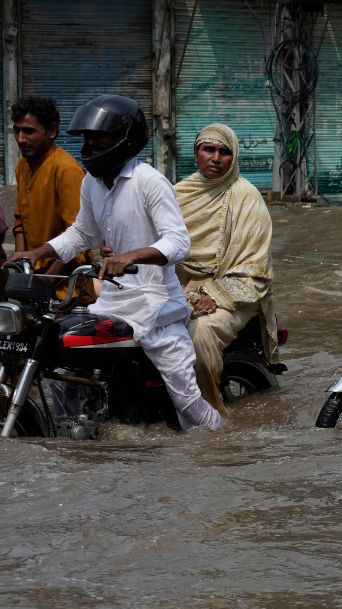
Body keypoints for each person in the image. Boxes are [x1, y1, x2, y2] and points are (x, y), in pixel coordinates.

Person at [7, 94, 223, 432]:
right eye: (88, 139)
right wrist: (38, 252)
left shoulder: (149, 181)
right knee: (64, 365)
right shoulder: (93, 183)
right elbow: (81, 232)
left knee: (187, 401)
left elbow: (179, 242)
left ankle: (224, 442)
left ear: (124, 139)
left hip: (157, 306)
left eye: (100, 138)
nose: (91, 145)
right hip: (112, 301)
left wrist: (131, 256)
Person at [174, 123, 280, 418]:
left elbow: (254, 266)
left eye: (224, 152)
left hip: (235, 292)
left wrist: (214, 294)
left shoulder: (247, 197)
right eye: (209, 150)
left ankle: (210, 414)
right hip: (179, 286)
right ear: (196, 154)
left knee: (199, 336)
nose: (216, 158)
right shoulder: (177, 194)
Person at [9, 96, 91, 285]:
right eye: (17, 131)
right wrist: (22, 266)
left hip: (63, 283)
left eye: (29, 131)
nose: (21, 139)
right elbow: (19, 222)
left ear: (51, 131)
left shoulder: (66, 169)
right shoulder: (23, 164)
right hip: (32, 275)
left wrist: (45, 284)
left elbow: (78, 239)